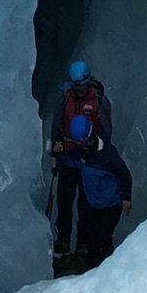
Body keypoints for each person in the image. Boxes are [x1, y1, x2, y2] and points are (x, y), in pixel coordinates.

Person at [49, 60, 112, 263]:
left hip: (88, 160)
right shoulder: (65, 97)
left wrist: (94, 146)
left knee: (86, 204)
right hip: (68, 158)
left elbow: (106, 133)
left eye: (82, 86)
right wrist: (55, 150)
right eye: (76, 87)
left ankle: (84, 242)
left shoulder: (100, 101)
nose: (79, 91)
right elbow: (56, 125)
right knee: (65, 200)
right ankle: (63, 238)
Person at [70, 115, 133, 268]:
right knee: (91, 235)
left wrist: (126, 198)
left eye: (82, 141)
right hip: (94, 202)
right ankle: (92, 269)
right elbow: (72, 155)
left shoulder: (108, 154)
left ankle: (109, 269)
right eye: (77, 141)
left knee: (104, 236)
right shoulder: (81, 151)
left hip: (112, 203)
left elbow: (124, 174)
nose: (79, 144)